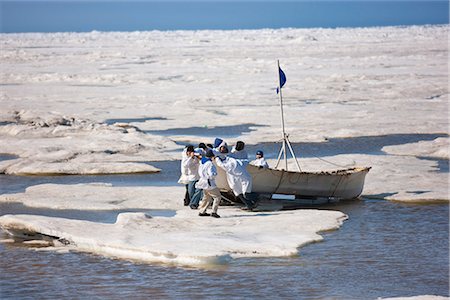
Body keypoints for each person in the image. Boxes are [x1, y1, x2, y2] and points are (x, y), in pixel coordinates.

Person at [195, 150, 221, 218]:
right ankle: (214, 212)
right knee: (217, 197)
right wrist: (215, 174)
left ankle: (202, 211)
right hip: (209, 183)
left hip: (203, 182)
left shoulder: (202, 162)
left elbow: (200, 172)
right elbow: (211, 174)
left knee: (207, 197)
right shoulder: (210, 163)